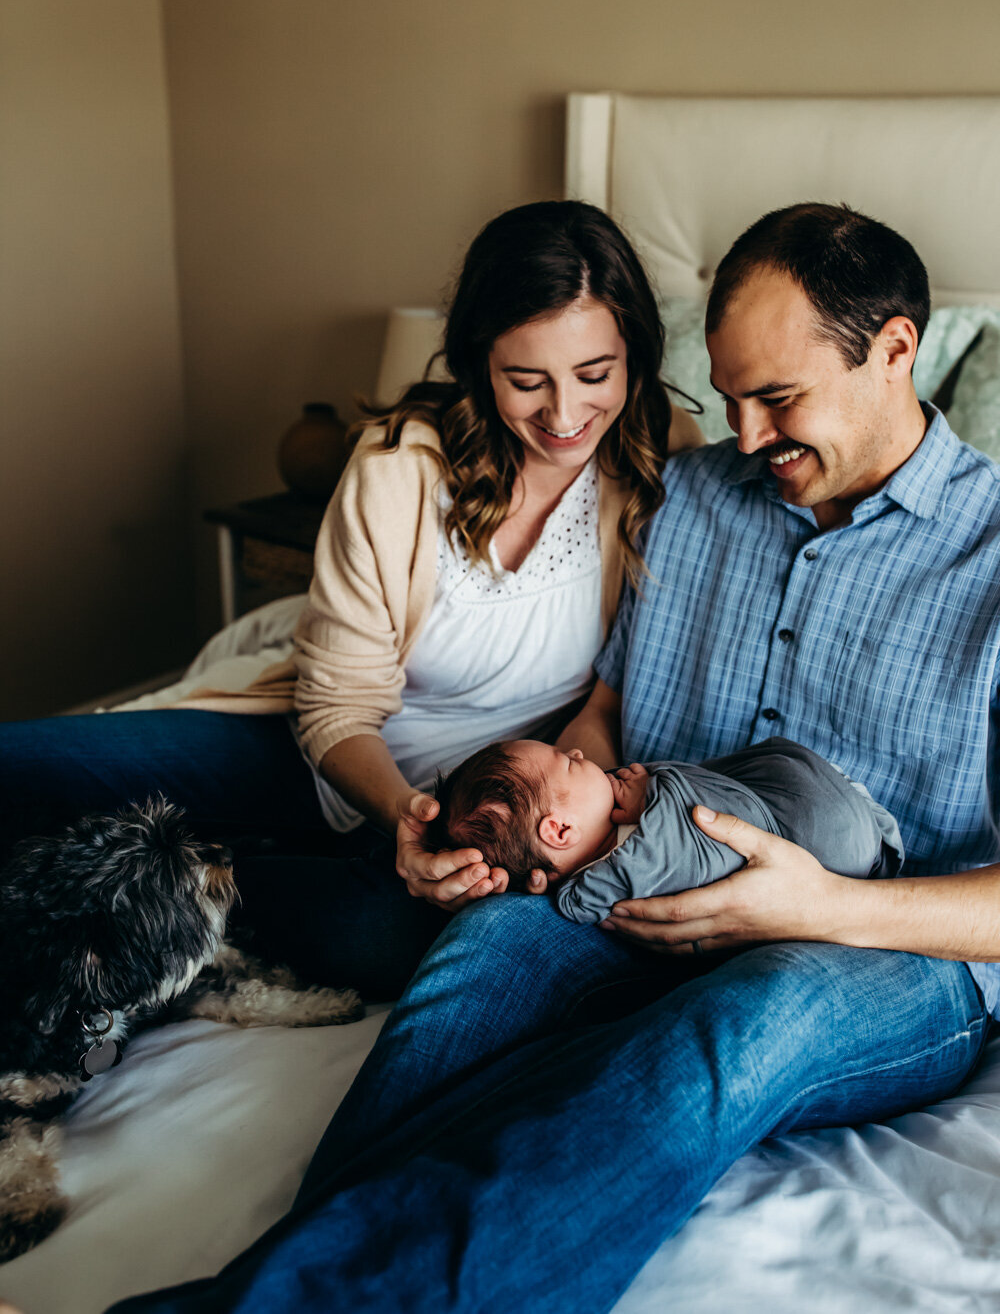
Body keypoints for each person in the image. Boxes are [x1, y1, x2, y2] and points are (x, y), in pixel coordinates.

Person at [103, 200, 1000, 1314]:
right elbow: (607, 715)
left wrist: (819, 906)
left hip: (878, 943)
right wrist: (535, 825)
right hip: (631, 875)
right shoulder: (693, 495)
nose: (747, 436)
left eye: (778, 399)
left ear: (896, 352)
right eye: (725, 400)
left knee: (715, 1039)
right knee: (475, 965)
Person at [0, 199, 701, 1000]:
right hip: (329, 757)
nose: (565, 415)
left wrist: (496, 833)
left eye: (594, 375)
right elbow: (335, 703)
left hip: (495, 811)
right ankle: (208, 857)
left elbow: (610, 700)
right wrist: (405, 818)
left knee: (379, 940)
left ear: (634, 357)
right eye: (526, 381)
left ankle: (207, 881)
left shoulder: (662, 455)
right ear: (478, 361)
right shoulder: (399, 466)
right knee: (27, 768)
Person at [428, 735, 904, 920]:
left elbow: (578, 904)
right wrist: (660, 794)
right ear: (558, 831)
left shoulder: (592, 877)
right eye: (568, 763)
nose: (577, 752)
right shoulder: (637, 851)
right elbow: (684, 836)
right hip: (826, 832)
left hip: (810, 830)